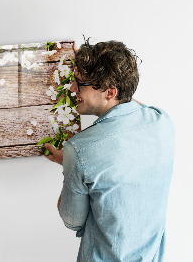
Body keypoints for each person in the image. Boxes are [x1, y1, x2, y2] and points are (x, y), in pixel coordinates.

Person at [44, 40, 175, 261]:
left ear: (110, 92)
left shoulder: (79, 149)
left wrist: (70, 165)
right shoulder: (162, 121)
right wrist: (91, 69)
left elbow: (72, 221)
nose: (73, 88)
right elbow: (128, 103)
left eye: (80, 83)